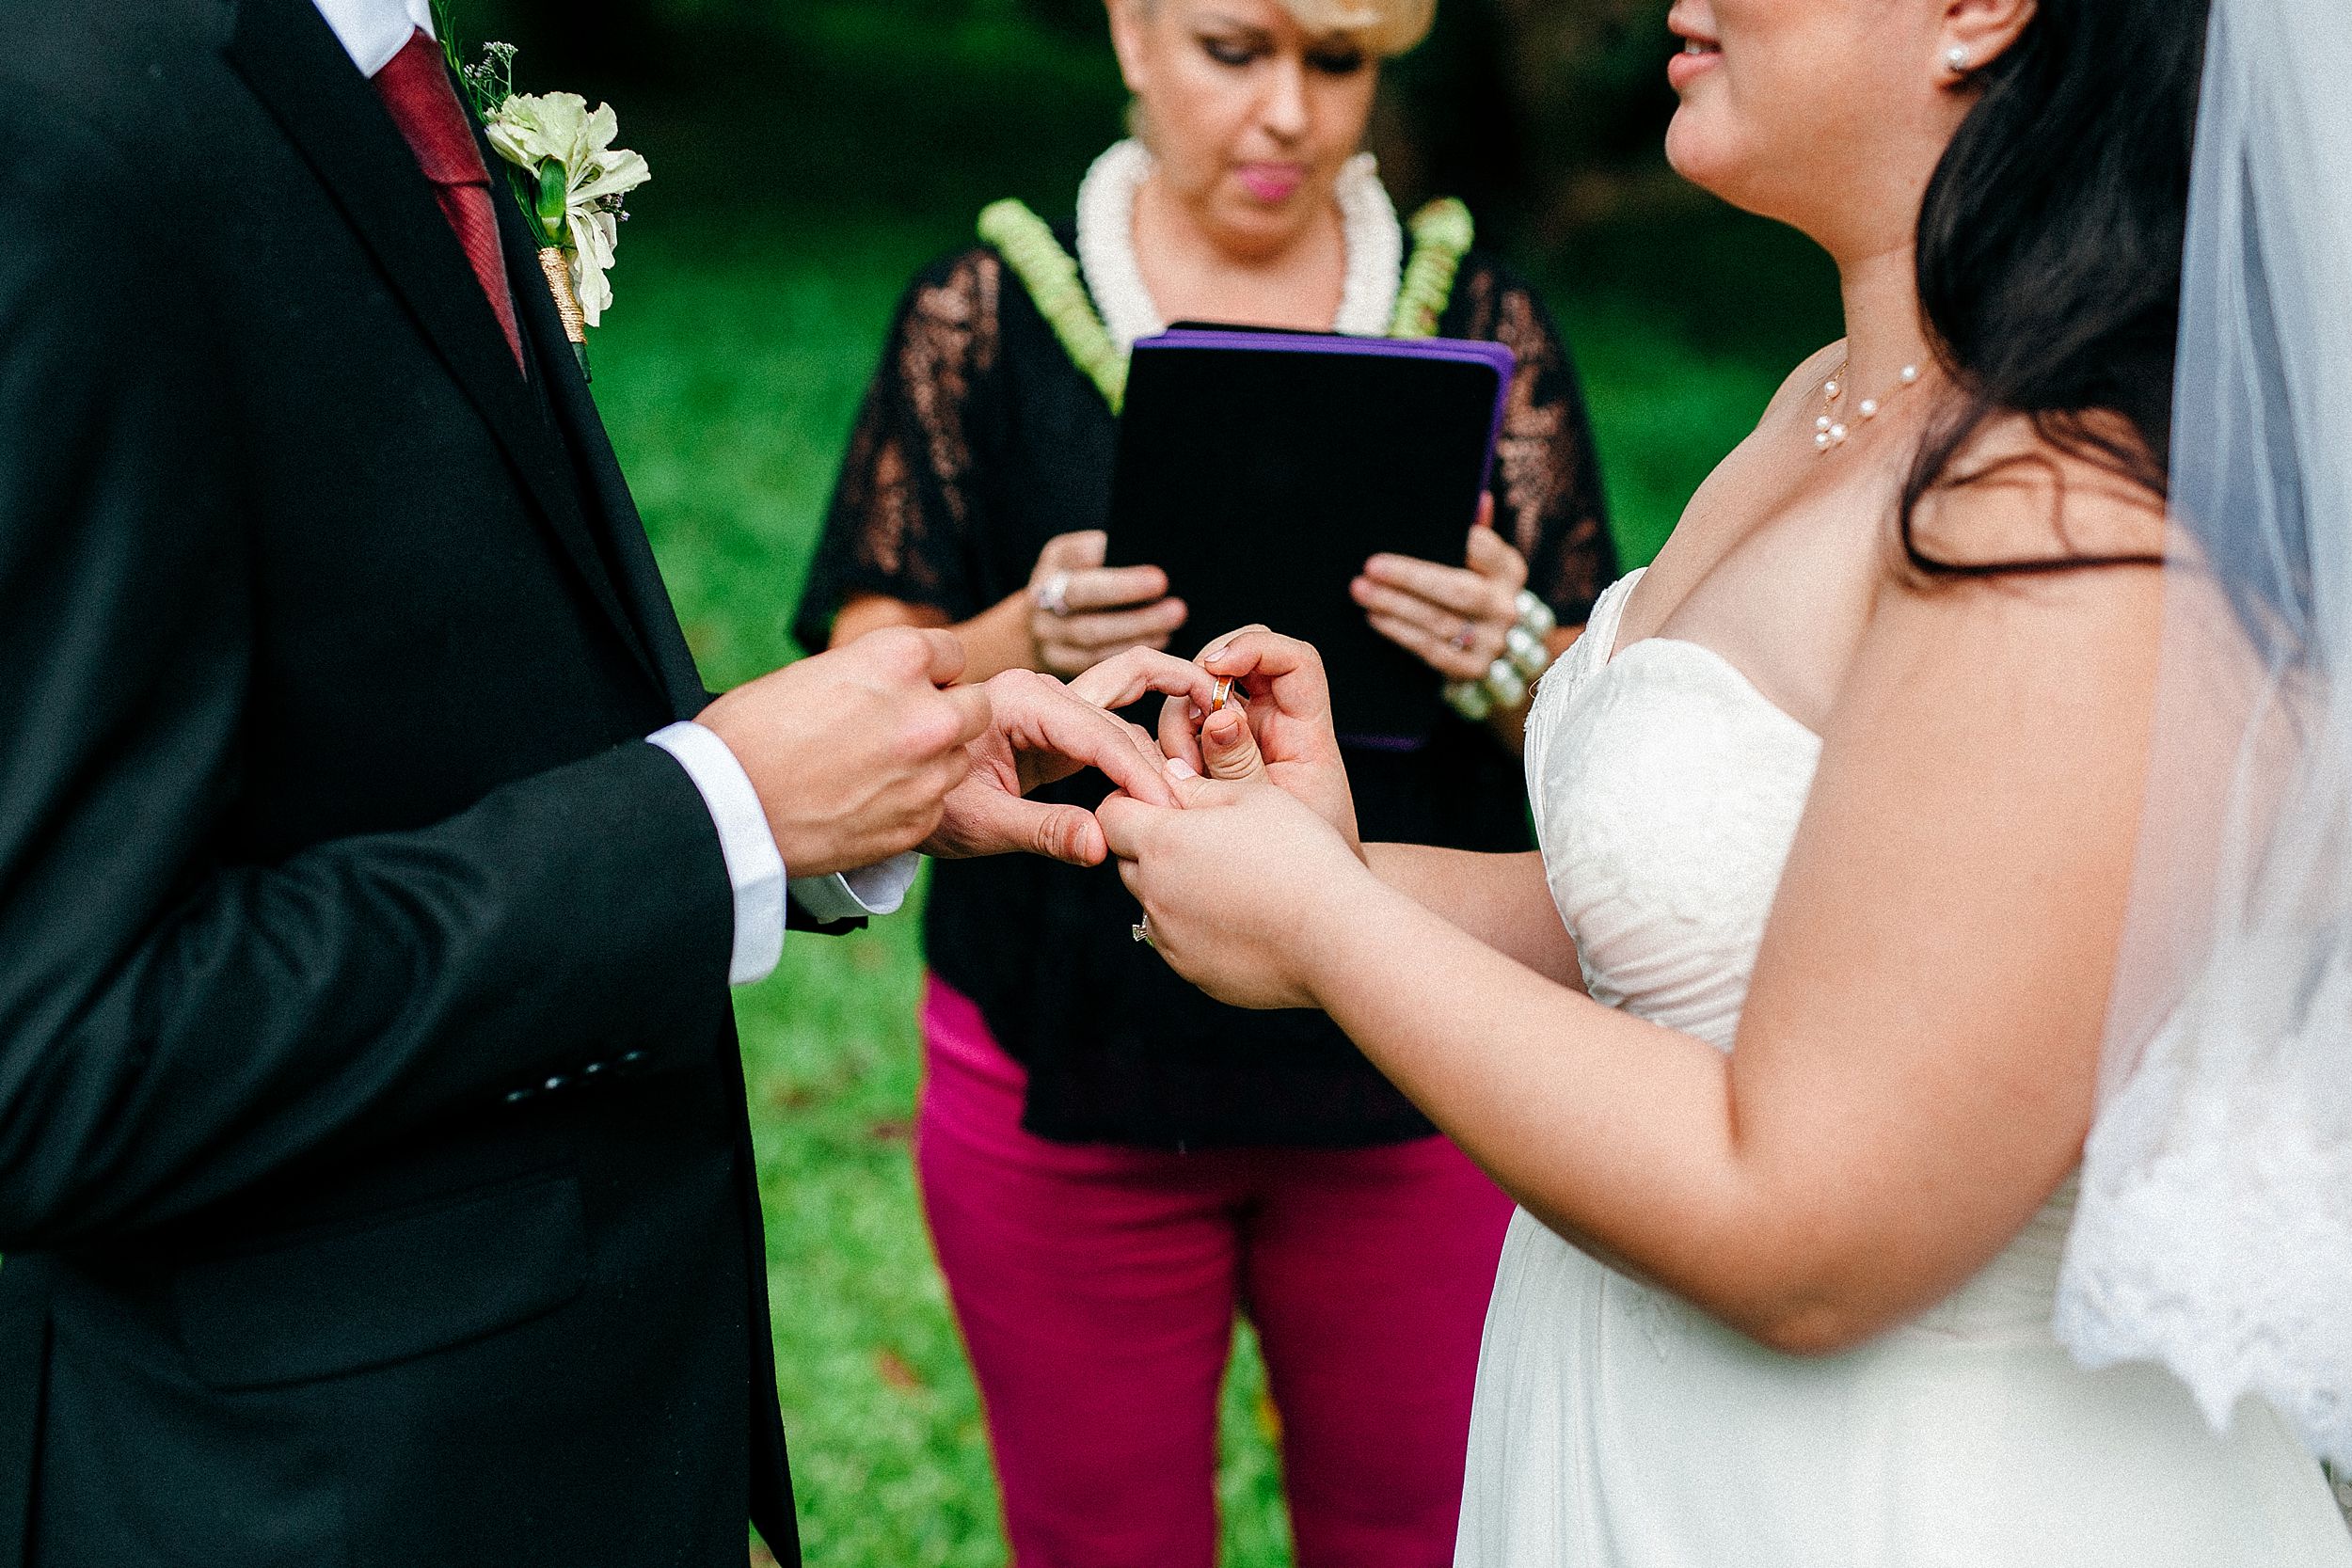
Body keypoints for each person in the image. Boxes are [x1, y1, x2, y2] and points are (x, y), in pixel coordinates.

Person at [1095, 0, 2352, 1560]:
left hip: (1906, 1491)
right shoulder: (1835, 397)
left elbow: (1809, 1233)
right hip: (1647, 1435)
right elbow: (1702, 943)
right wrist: (1325, 860)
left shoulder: (2067, 513)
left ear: (1979, 11)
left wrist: (1327, 936)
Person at [0, 2, 1214, 1564]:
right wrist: (714, 819)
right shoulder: (66, 114)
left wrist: (854, 783)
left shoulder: (383, 71)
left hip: (574, 1435)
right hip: (301, 1489)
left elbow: (405, 713)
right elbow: (53, 1050)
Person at [791, 0, 1614, 1560]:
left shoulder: (1484, 324)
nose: (1291, 113)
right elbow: (865, 680)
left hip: (1419, 1059)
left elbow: (1613, 742)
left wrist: (1509, 650)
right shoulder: (984, 310)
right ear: (1131, 32)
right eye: (1238, 51)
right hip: (1062, 1053)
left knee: (1422, 1532)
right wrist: (1021, 630)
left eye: (1341, 62)